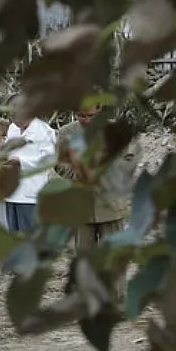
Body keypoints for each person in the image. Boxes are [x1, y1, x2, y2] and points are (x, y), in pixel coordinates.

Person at [56, 105, 141, 251]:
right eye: (81, 116)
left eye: (91, 116)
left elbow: (131, 158)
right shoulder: (66, 133)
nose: (86, 121)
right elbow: (59, 163)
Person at [3, 93, 56, 233]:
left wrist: (21, 161)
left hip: (31, 195)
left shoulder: (45, 131)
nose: (13, 118)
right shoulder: (12, 129)